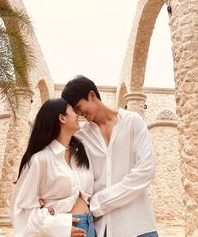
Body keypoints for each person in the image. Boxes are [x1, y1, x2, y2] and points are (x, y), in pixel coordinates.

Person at [61, 75, 158, 237]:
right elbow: (74, 178)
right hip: (101, 229)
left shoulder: (133, 122)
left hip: (138, 225)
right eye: (74, 110)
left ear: (92, 95)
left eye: (78, 106)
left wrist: (99, 203)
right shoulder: (81, 137)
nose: (78, 113)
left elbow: (146, 171)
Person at [9, 98, 95, 237]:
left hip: (89, 226)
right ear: (62, 118)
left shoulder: (81, 154)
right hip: (65, 230)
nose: (77, 114)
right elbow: (20, 210)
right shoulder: (40, 159)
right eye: (73, 110)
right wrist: (56, 227)